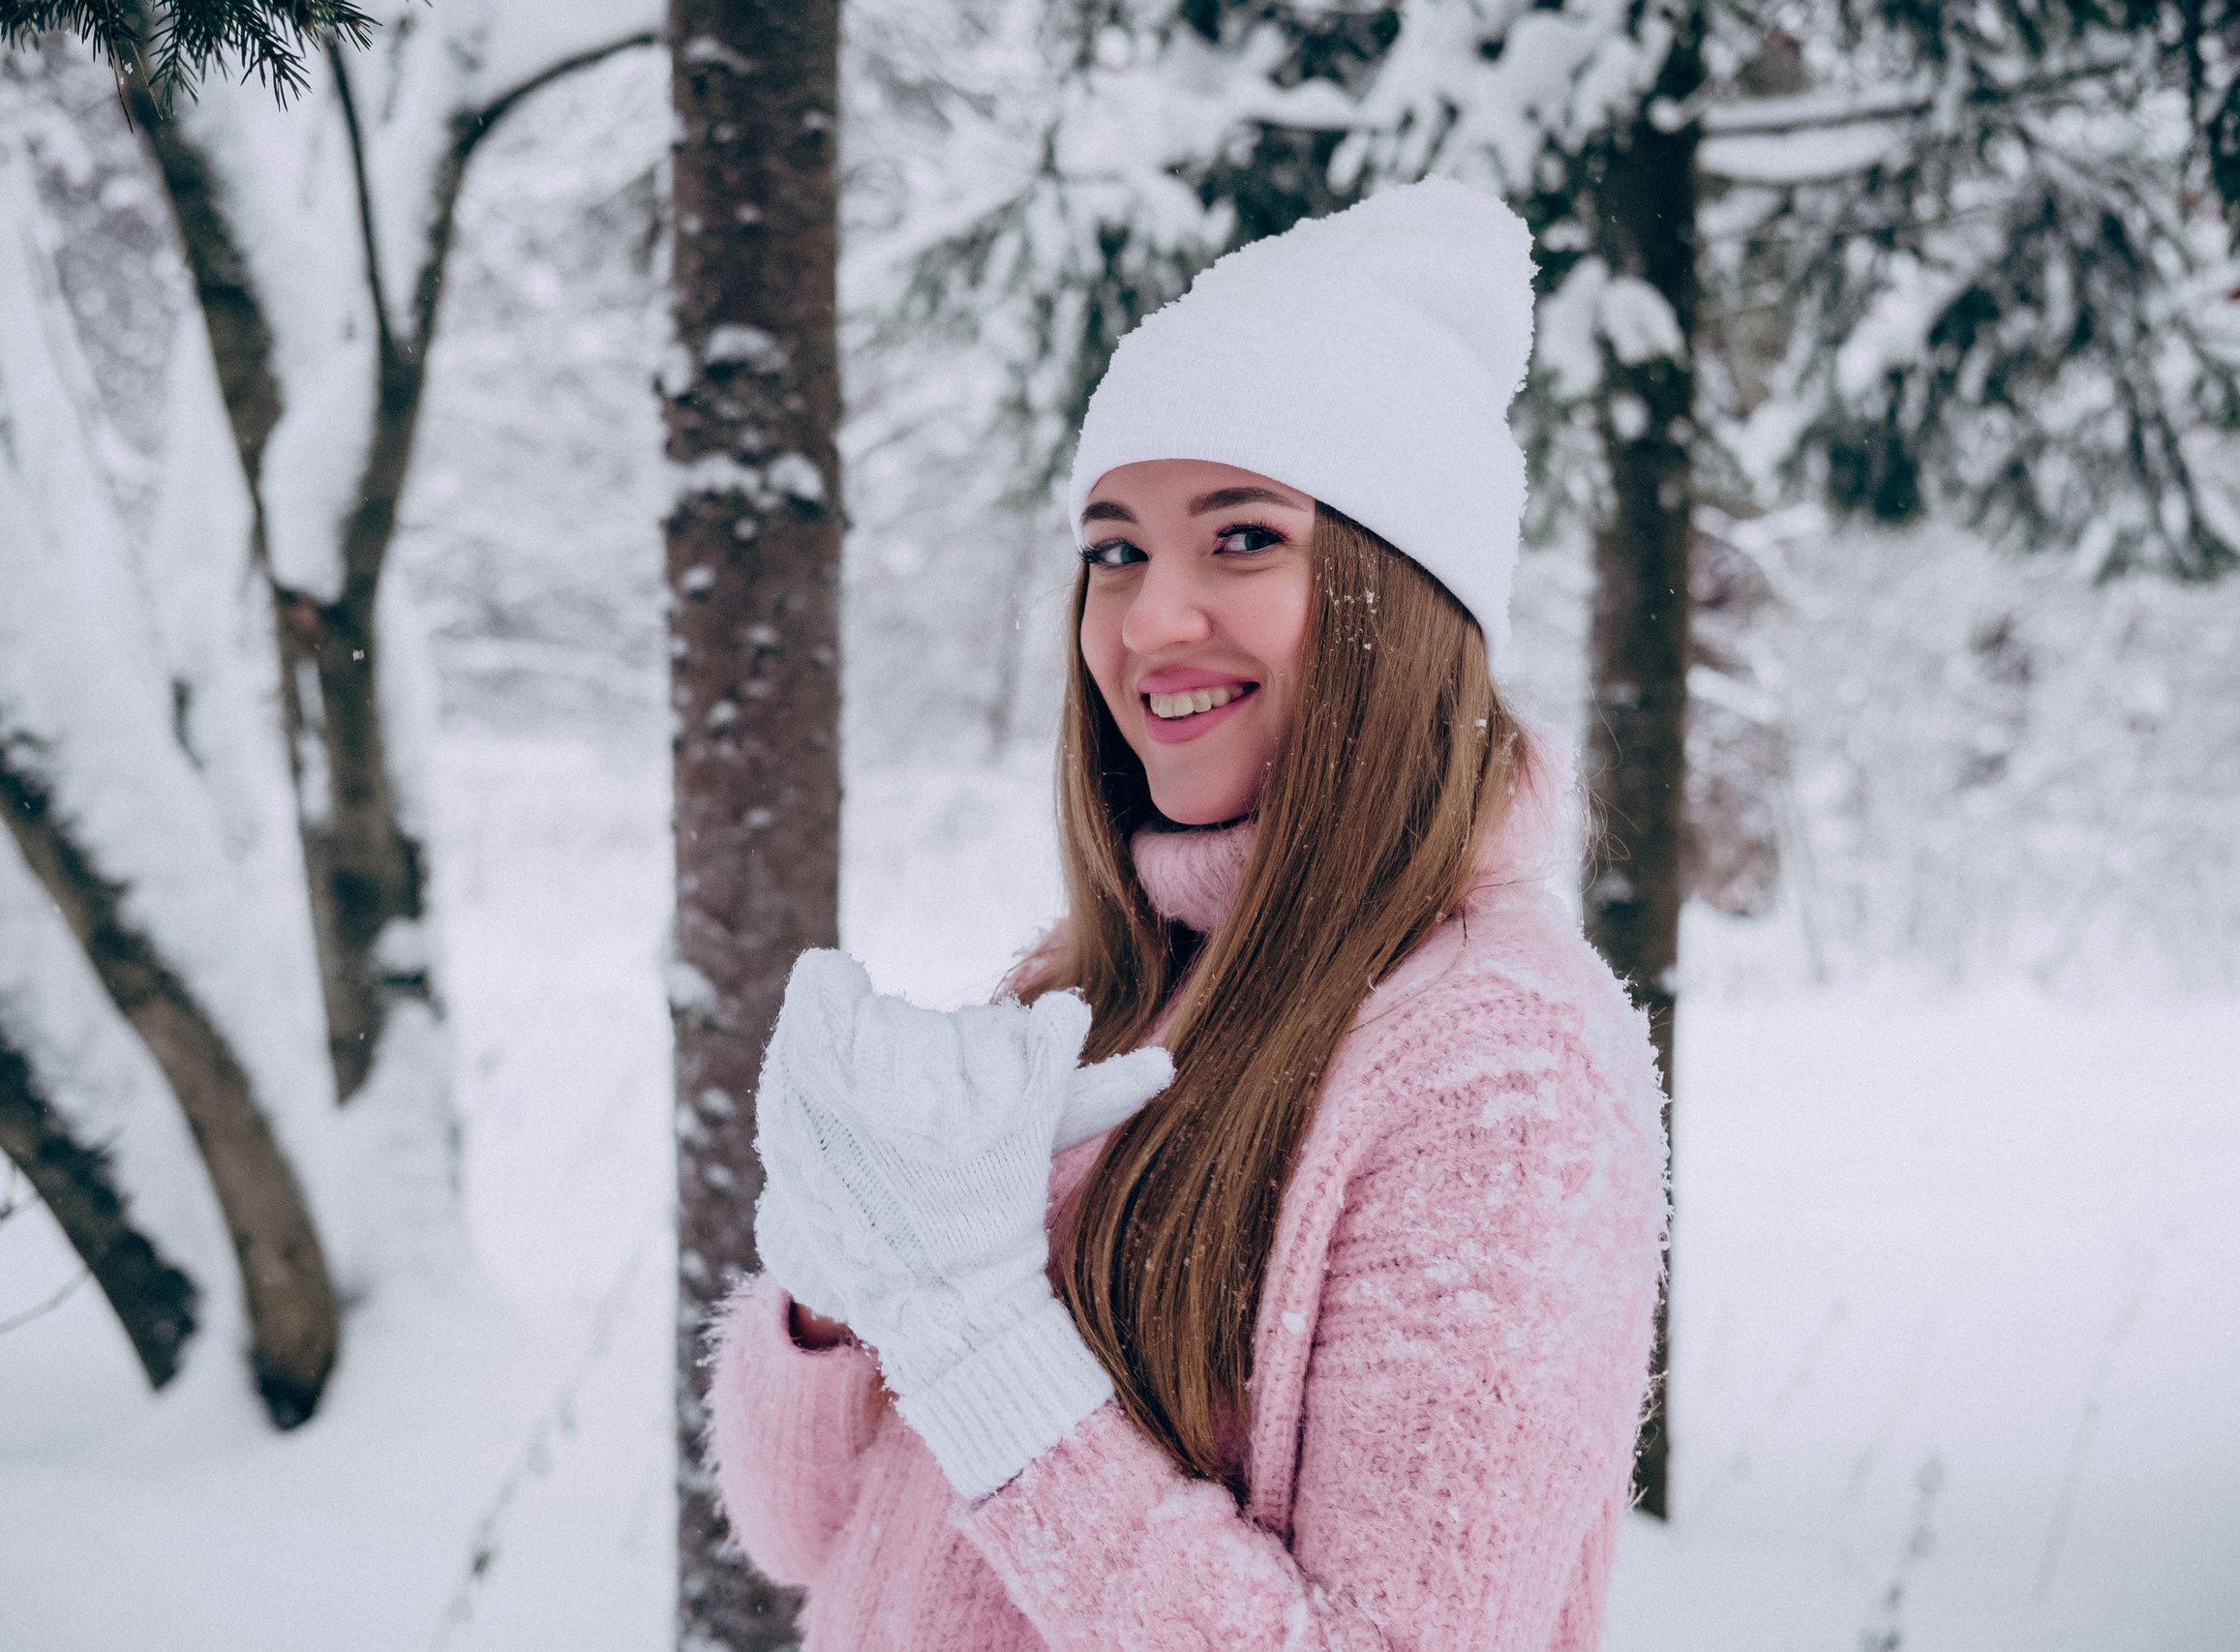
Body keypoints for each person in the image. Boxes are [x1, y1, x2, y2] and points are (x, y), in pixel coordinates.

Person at [707, 177, 1669, 1650]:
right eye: (1115, 550)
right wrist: (837, 1280)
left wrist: (979, 1344)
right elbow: (807, 1534)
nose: (1151, 618)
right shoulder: (1092, 984)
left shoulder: (1498, 1069)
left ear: (1401, 599)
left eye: (1243, 539)